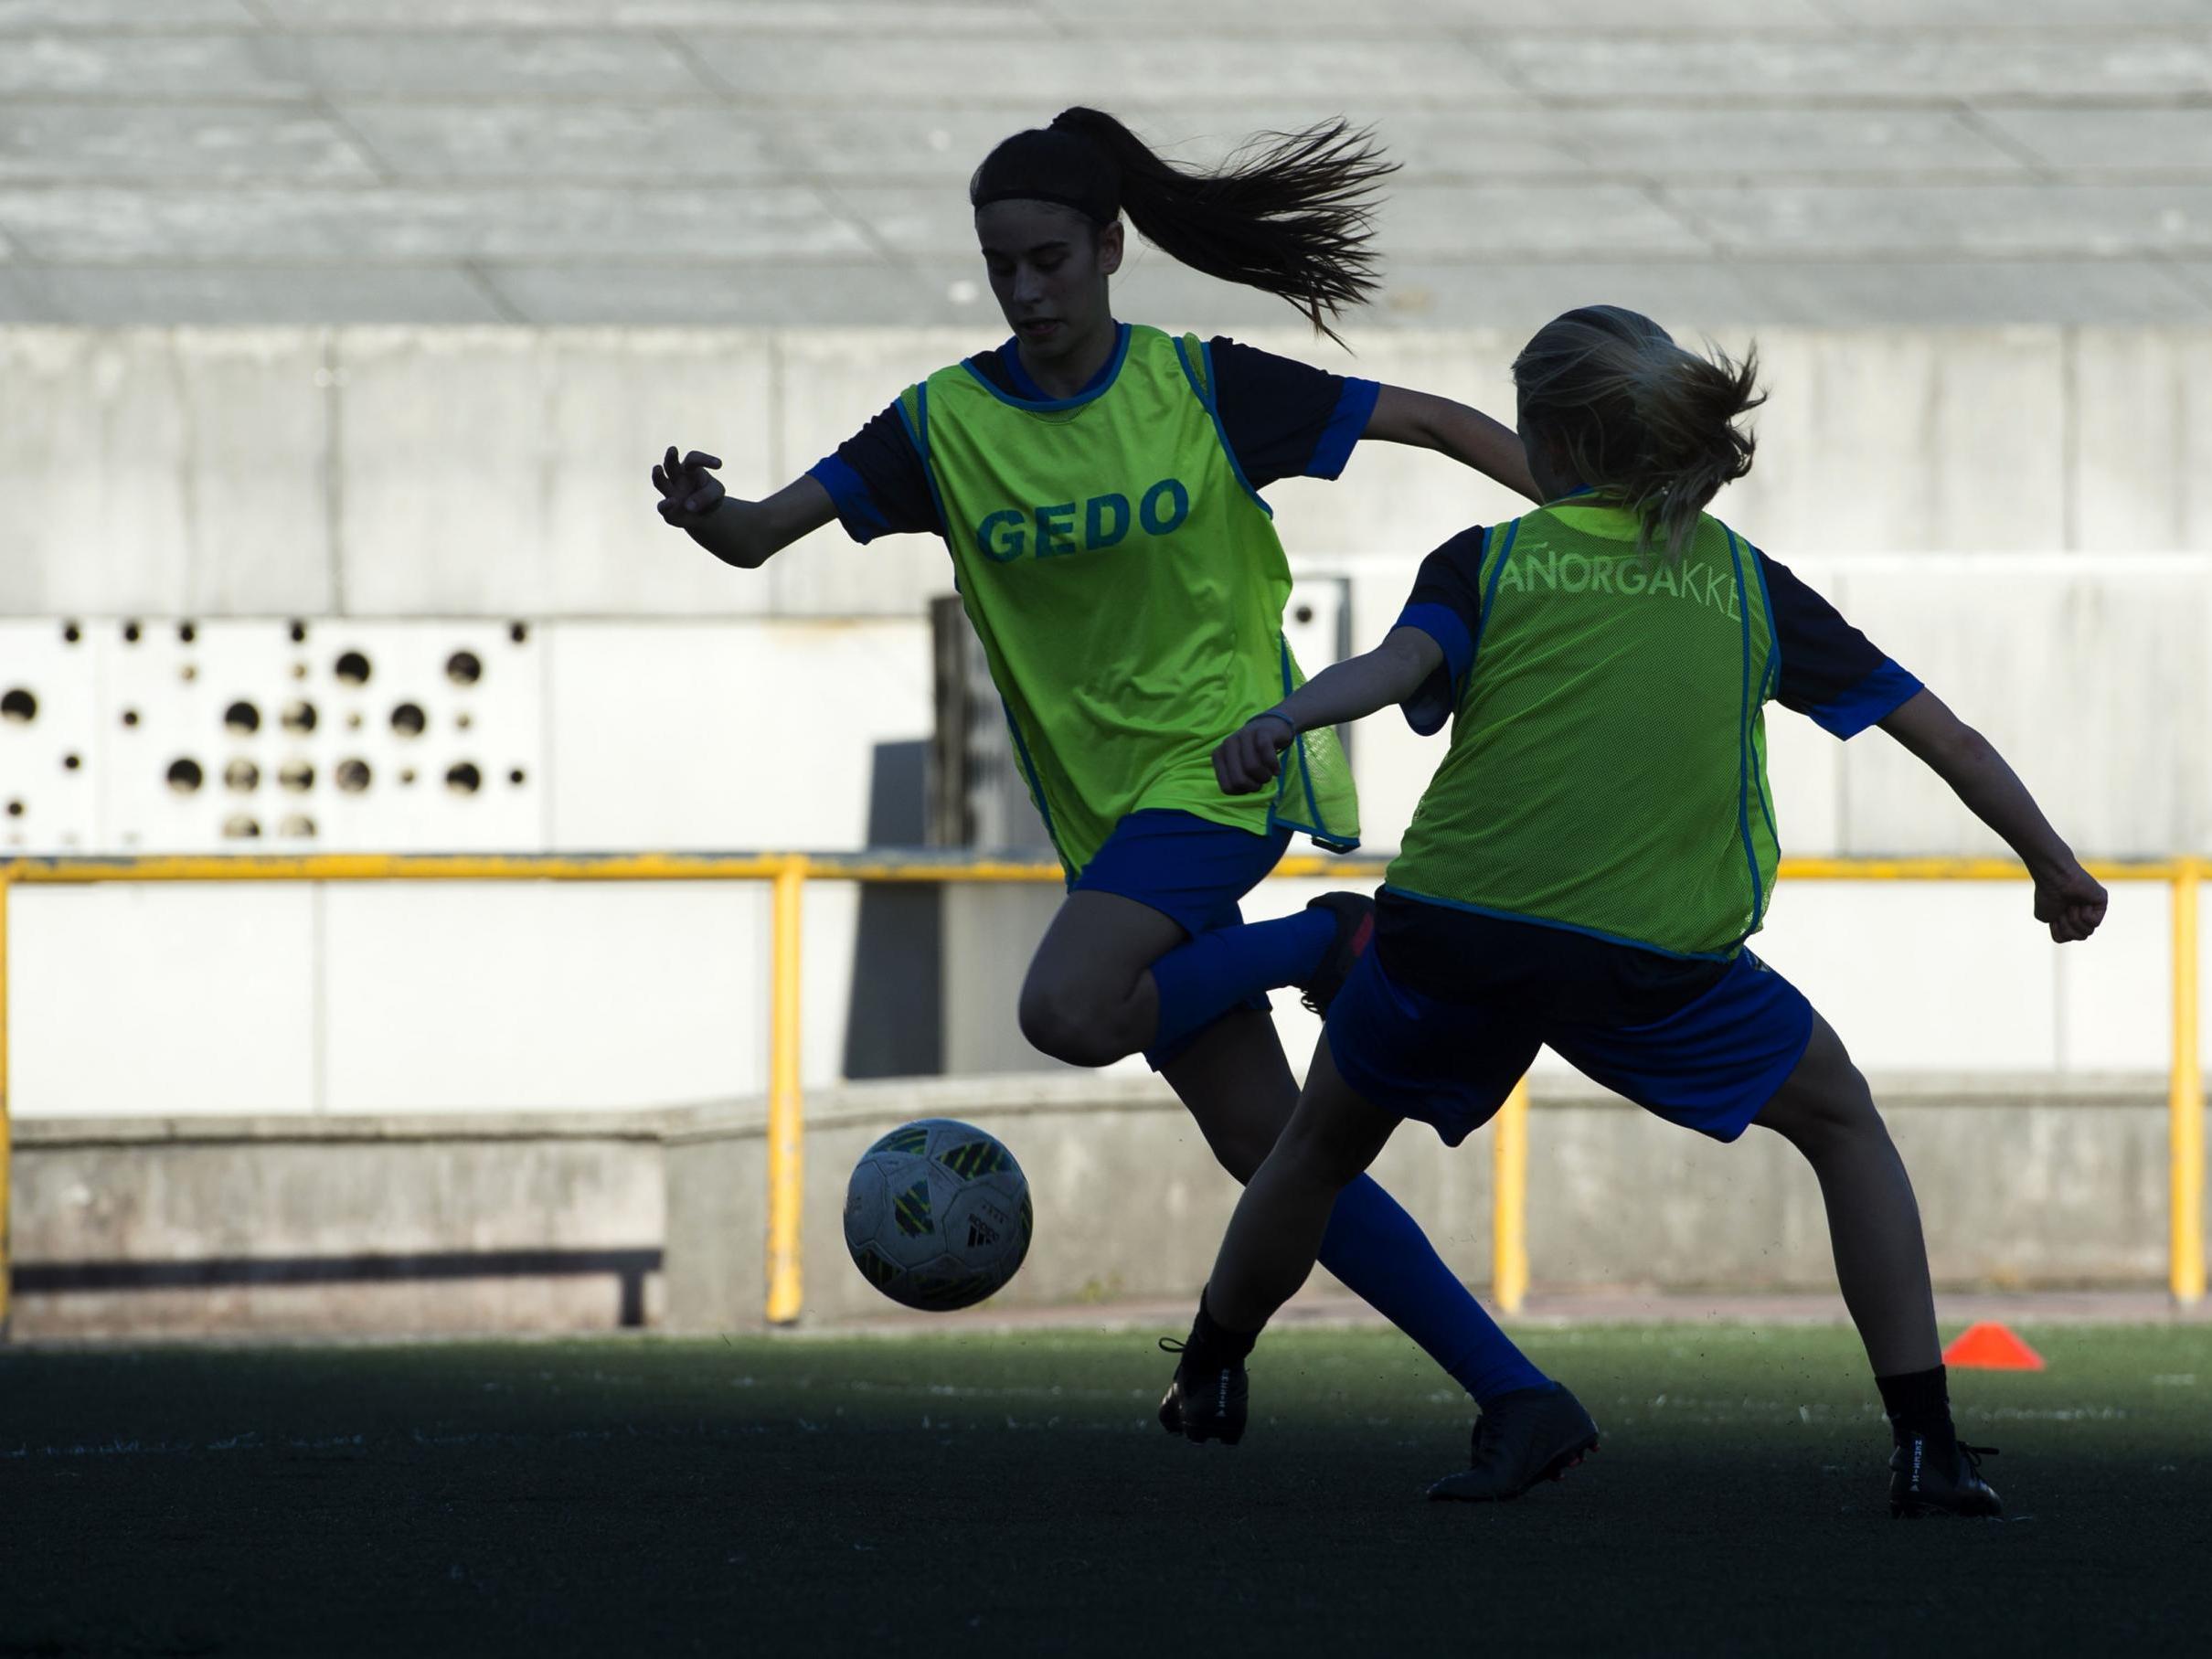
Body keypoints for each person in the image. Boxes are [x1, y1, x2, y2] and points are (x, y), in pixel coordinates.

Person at [652, 109, 1596, 1497]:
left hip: (1224, 770)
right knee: (1277, 1156)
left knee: (1067, 1011)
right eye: (1000, 267)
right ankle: (1520, 1396)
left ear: (1110, 250)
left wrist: (1592, 527)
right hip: (1111, 826)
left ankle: (1325, 944)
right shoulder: (944, 425)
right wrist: (703, 512)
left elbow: (1433, 418)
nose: (1026, 290)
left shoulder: (1198, 386)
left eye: (1049, 259)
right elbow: (759, 537)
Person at [1159, 303, 2110, 1518]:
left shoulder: (1488, 559)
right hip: (1652, 964)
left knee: (1317, 1150)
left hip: (1459, 936)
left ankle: (1210, 1372)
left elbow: (1398, 671)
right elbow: (1949, 737)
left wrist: (1292, 718)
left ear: (1551, 442)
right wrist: (2053, 864)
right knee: (1842, 1123)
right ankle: (1927, 1444)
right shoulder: (1752, 588)